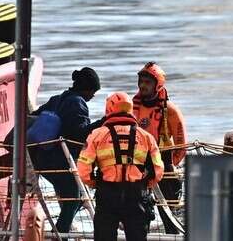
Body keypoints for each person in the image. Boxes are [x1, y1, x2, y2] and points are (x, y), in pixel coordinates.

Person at [77, 92, 164, 241]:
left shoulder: (97, 135)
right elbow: (157, 170)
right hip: (136, 194)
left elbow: (84, 169)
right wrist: (144, 186)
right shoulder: (146, 136)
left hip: (107, 194)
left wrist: (96, 183)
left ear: (109, 109)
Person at [27, 66, 102, 233]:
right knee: (75, 197)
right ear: (87, 89)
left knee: (71, 196)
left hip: (41, 159)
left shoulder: (57, 99)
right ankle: (60, 234)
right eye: (93, 91)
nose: (93, 95)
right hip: (59, 160)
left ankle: (62, 230)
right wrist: (102, 123)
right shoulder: (78, 103)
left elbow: (34, 115)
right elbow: (78, 134)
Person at [133, 60, 186, 229]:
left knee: (168, 216)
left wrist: (169, 168)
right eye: (141, 82)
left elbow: (181, 145)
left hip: (163, 164)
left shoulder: (170, 110)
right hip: (139, 164)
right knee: (140, 215)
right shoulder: (133, 107)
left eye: (147, 82)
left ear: (158, 84)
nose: (143, 86)